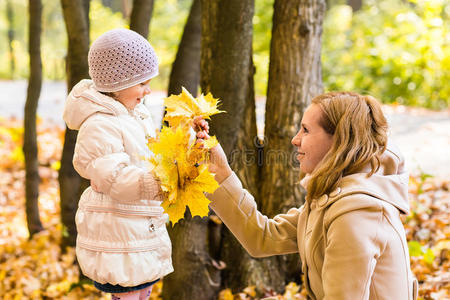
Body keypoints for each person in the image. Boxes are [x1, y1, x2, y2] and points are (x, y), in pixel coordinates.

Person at [197, 92, 418, 299]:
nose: (295, 139)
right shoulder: (336, 199)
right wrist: (221, 173)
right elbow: (263, 237)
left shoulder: (356, 213)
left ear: (339, 140)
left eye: (305, 130)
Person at [63, 29, 172, 300]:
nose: (148, 91)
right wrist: (156, 182)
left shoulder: (136, 113)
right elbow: (114, 178)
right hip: (119, 238)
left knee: (144, 290)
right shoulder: (100, 124)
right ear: (118, 83)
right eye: (142, 83)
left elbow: (150, 153)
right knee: (128, 294)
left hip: (138, 230)